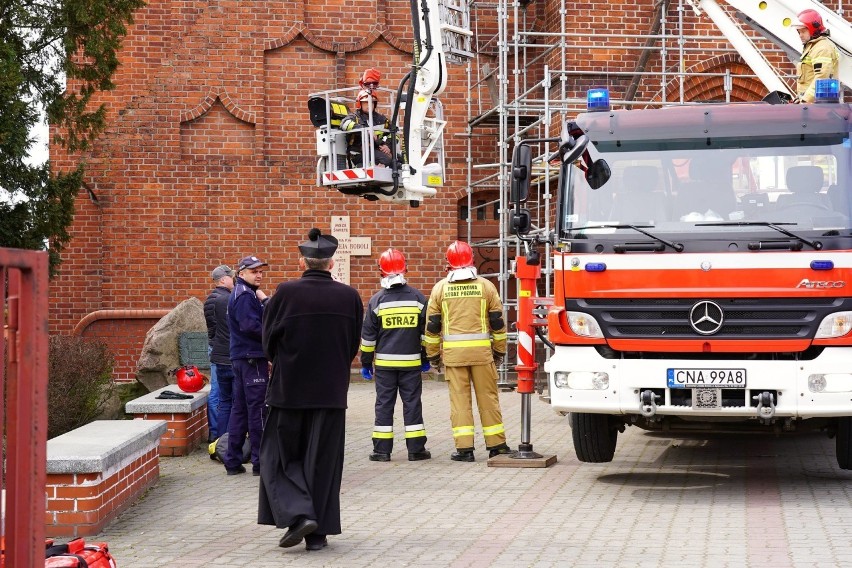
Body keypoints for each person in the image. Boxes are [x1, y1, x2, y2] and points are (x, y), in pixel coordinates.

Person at [259, 228, 363, 552]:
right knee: (323, 463)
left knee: (277, 456)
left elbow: (268, 342)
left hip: (290, 390)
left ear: (302, 260)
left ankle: (299, 512)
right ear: (331, 263)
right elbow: (352, 345)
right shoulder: (350, 297)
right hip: (332, 392)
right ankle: (317, 536)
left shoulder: (286, 292)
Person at [424, 240, 515, 462]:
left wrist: (434, 356)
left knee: (460, 402)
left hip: (454, 358)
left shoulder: (440, 289)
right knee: (488, 399)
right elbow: (498, 324)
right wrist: (499, 352)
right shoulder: (486, 286)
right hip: (482, 355)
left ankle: (464, 450)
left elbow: (432, 328)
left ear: (448, 263)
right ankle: (497, 445)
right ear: (471, 259)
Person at [360, 248, 431, 463]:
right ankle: (416, 449)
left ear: (381, 272)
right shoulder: (418, 298)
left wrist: (365, 363)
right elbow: (426, 334)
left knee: (384, 404)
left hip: (384, 365)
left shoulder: (376, 301)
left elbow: (368, 338)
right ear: (405, 269)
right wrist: (426, 358)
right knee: (412, 403)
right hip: (411, 363)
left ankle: (382, 451)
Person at [223, 255, 270, 476]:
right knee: (257, 411)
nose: (259, 274)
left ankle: (232, 461)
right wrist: (272, 338)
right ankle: (260, 463)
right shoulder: (244, 296)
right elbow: (251, 326)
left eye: (261, 271)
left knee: (240, 410)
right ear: (241, 274)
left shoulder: (243, 292)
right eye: (254, 271)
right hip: (252, 359)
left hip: (242, 358)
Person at [203, 264, 235, 443]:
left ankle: (219, 432)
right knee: (218, 392)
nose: (234, 279)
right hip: (220, 350)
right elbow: (224, 328)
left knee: (220, 393)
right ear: (223, 279)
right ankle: (217, 433)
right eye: (231, 276)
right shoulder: (221, 299)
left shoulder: (214, 298)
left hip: (216, 348)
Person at [794, 9, 839, 104]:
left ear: (813, 30)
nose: (800, 35)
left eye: (803, 31)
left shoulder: (822, 48)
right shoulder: (813, 46)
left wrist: (805, 100)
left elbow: (821, 77)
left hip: (816, 105)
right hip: (812, 104)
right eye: (799, 32)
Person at [340, 89, 393, 167]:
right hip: (358, 153)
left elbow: (394, 132)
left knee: (398, 160)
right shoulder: (355, 117)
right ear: (360, 104)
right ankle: (374, 166)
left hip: (375, 151)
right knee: (385, 159)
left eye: (371, 102)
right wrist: (365, 130)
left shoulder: (381, 119)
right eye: (366, 102)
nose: (369, 104)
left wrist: (387, 146)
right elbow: (344, 124)